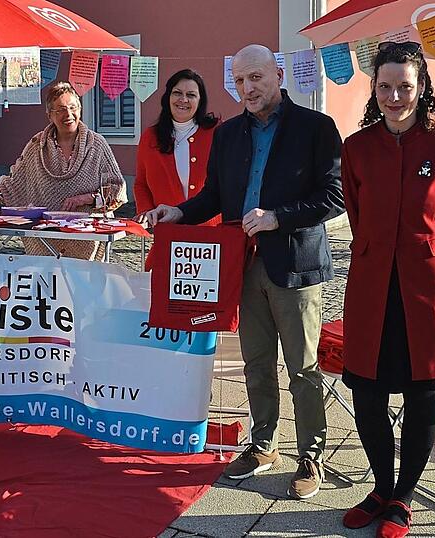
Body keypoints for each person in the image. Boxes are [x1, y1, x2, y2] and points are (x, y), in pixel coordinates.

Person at [141, 44, 344, 499]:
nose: (247, 88)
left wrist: (279, 215)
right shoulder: (229, 134)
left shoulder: (316, 127)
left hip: (294, 264)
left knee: (303, 367)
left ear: (278, 74)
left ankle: (311, 455)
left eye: (255, 78)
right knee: (255, 363)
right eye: (239, 81)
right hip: (241, 263)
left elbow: (335, 196)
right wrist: (179, 211)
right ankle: (264, 443)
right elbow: (213, 195)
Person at [339, 41, 435, 537]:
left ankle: (402, 499)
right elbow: (356, 213)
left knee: (423, 398)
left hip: (427, 289)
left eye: (405, 86)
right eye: (385, 86)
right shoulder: (356, 147)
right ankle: (380, 486)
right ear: (373, 90)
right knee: (367, 393)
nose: (394, 95)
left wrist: (433, 261)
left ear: (422, 89)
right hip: (372, 285)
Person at [0, 81, 127, 260]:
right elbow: (11, 186)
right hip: (44, 240)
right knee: (46, 286)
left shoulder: (97, 145)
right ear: (49, 115)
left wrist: (87, 198)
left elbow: (117, 189)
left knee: (81, 285)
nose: (68, 114)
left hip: (86, 238)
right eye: (60, 110)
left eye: (72, 107)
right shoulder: (37, 146)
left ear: (80, 109)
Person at [134, 69, 221, 224]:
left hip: (212, 232)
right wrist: (146, 211)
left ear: (200, 101)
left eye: (191, 95)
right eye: (177, 93)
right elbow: (141, 184)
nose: (183, 99)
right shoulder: (150, 137)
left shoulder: (218, 133)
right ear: (168, 96)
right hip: (168, 230)